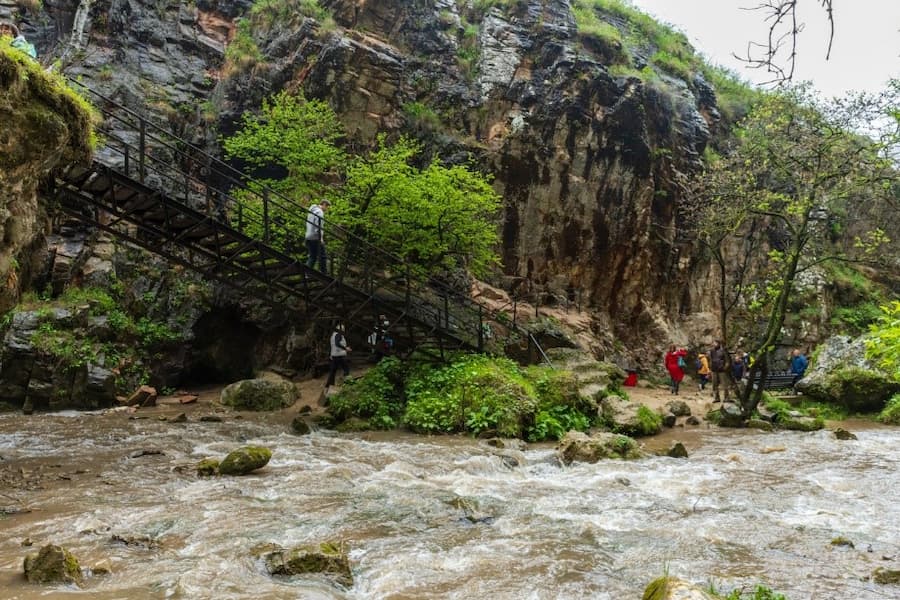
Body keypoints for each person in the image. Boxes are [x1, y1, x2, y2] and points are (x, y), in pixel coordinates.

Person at [305, 199, 329, 272]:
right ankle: (324, 274)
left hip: (308, 236)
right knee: (323, 256)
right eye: (327, 207)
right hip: (315, 237)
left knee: (313, 256)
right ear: (324, 204)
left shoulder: (311, 211)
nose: (327, 209)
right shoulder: (319, 212)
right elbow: (318, 226)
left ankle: (306, 272)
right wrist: (321, 238)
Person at [326, 323, 351, 388]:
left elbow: (332, 345)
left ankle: (328, 385)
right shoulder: (338, 334)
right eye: (343, 329)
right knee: (346, 369)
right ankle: (348, 383)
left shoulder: (333, 335)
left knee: (333, 371)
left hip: (334, 355)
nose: (344, 331)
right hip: (340, 355)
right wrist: (346, 348)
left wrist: (331, 354)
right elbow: (337, 344)